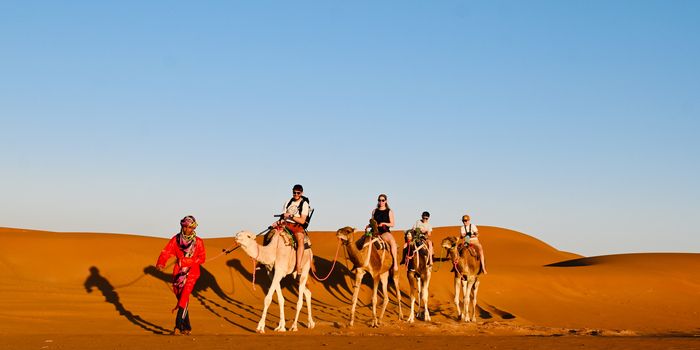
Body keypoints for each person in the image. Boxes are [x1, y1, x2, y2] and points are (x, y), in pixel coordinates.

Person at [156, 215, 206, 335]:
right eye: (186, 227)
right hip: (178, 272)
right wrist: (161, 263)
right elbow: (166, 252)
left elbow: (202, 258)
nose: (188, 229)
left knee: (184, 297)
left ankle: (178, 326)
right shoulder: (176, 239)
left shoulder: (198, 242)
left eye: (190, 227)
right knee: (180, 297)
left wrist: (188, 261)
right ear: (182, 226)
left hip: (192, 273)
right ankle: (187, 327)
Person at [276, 184, 310, 275]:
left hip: (297, 226)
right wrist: (278, 222)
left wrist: (291, 216)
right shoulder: (288, 202)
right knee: (271, 234)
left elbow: (302, 220)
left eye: (298, 193)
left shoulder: (304, 204)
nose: (296, 194)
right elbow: (283, 216)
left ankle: (298, 266)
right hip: (286, 224)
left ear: (301, 193)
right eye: (294, 192)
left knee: (300, 240)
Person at [366, 193, 398, 272]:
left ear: (386, 201)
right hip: (374, 231)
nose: (381, 202)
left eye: (383, 200)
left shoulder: (389, 211)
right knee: (362, 241)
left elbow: (392, 224)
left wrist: (384, 223)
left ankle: (395, 263)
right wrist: (369, 225)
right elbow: (373, 222)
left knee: (392, 241)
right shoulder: (374, 211)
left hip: (384, 231)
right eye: (379, 200)